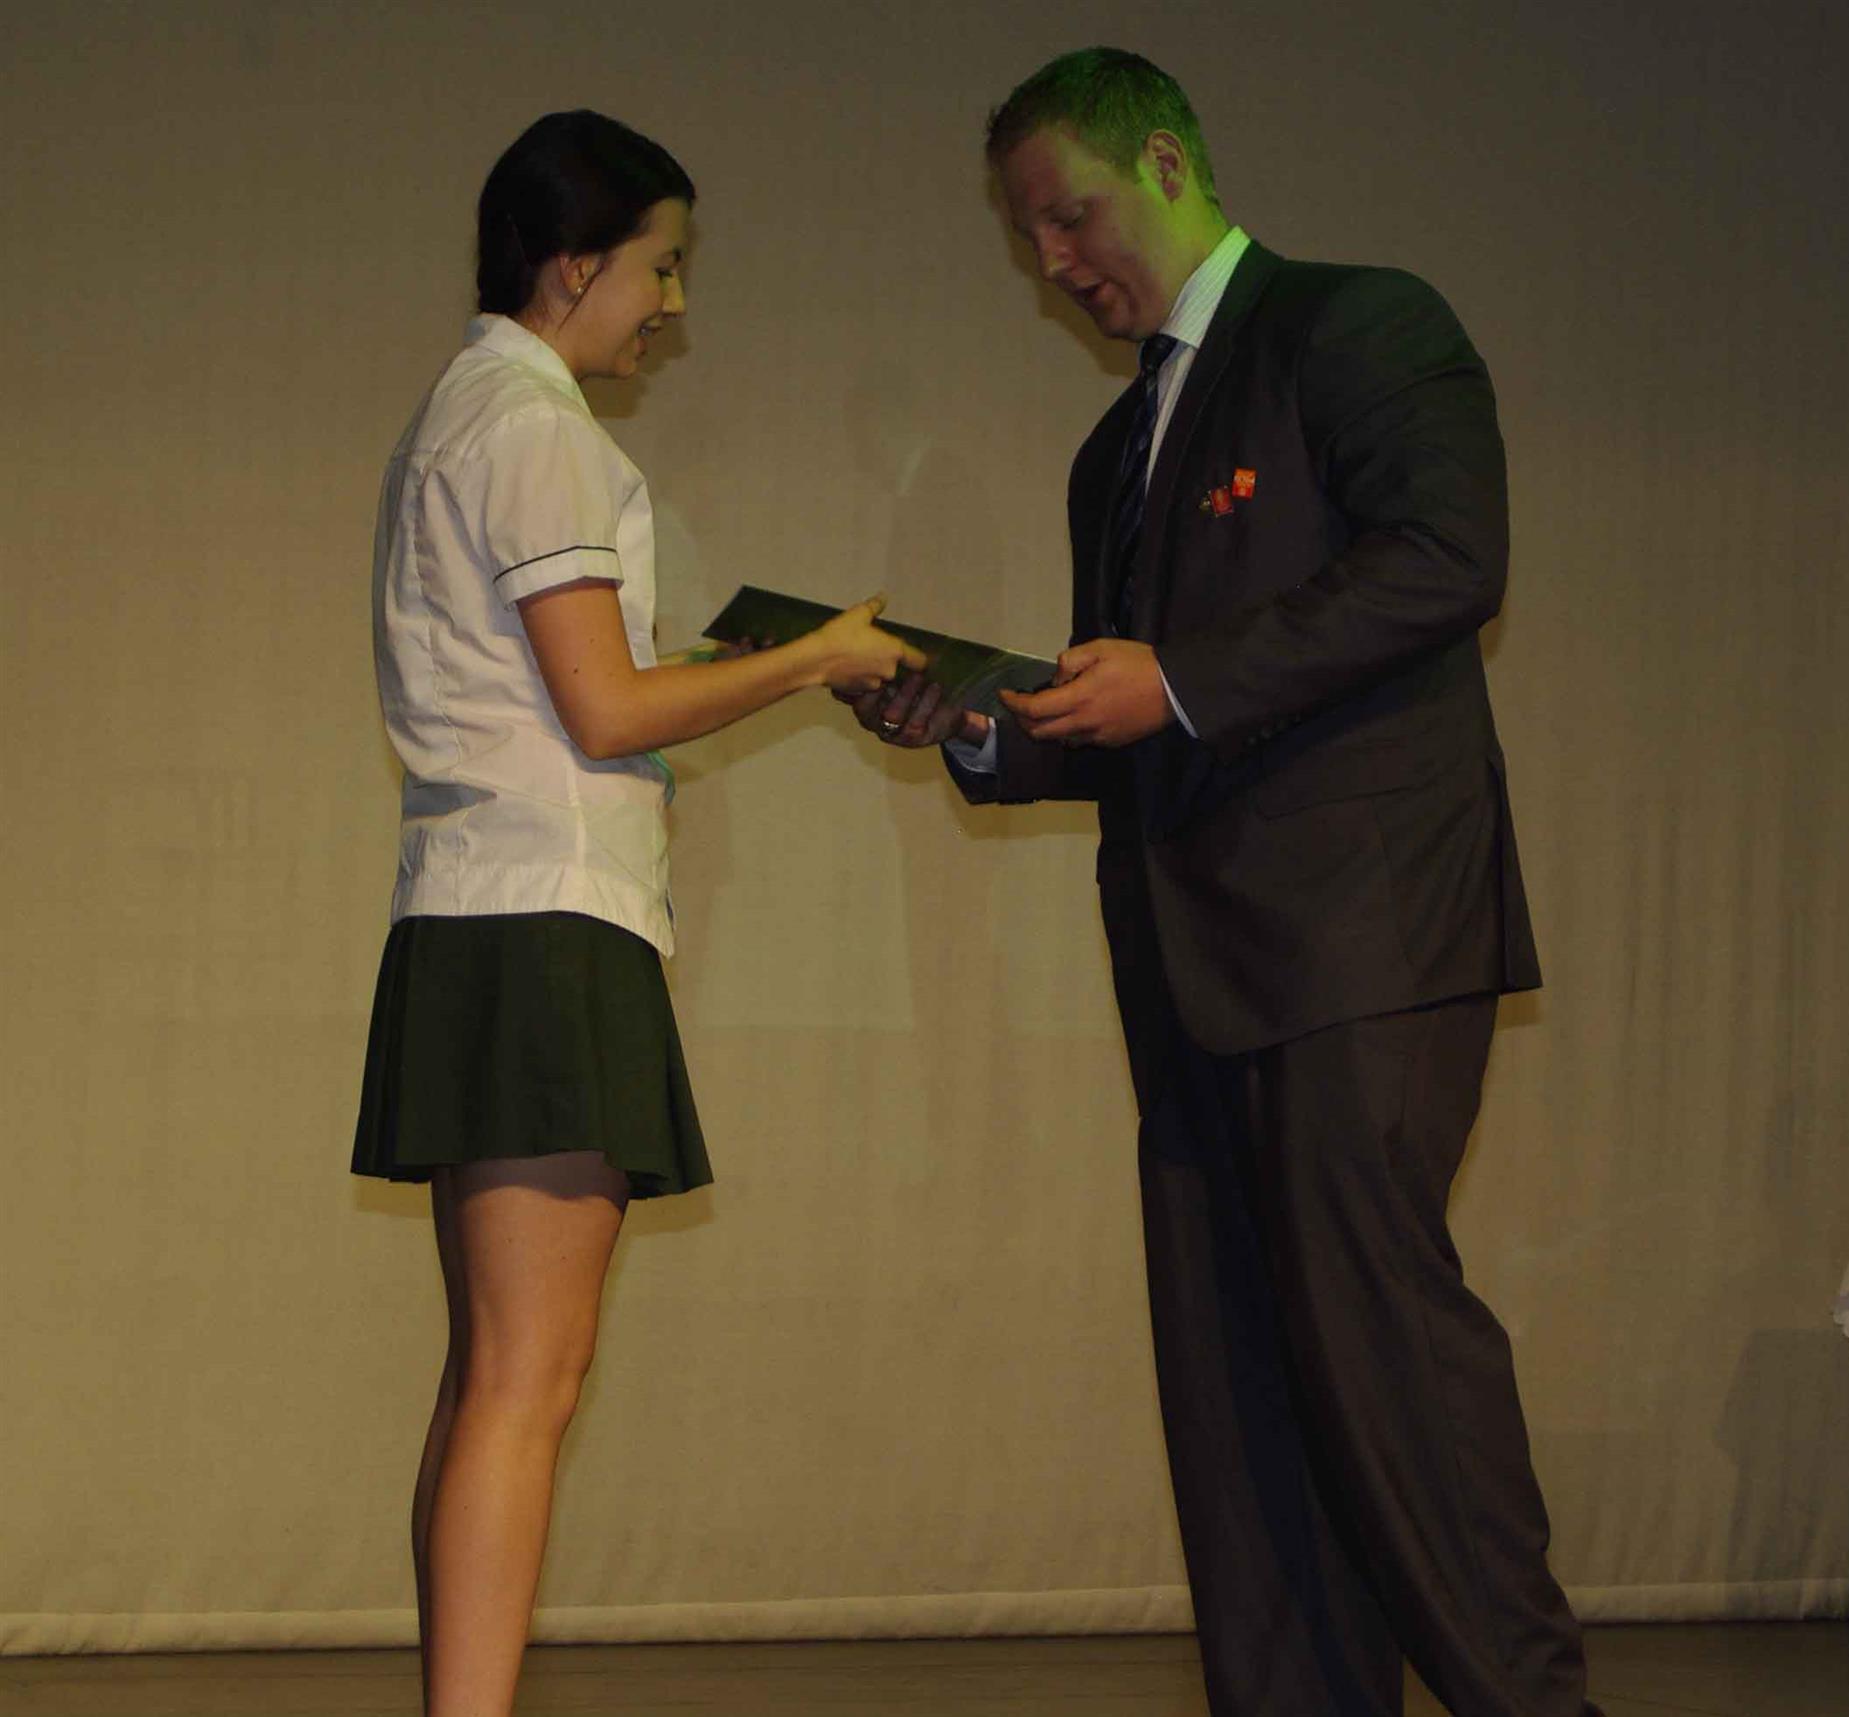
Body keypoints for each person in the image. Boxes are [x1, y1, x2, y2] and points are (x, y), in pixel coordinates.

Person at [846, 48, 1601, 1717]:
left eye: (1069, 215)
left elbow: (1447, 557)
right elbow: (1130, 724)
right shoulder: (1112, 453)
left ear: (1171, 166)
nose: (1053, 260)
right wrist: (978, 724)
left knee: (1380, 1357)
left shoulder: (1357, 324)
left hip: (1359, 945)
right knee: (1241, 1398)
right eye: (1026, 237)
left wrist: (1178, 678)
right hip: (1190, 973)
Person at [351, 110, 918, 1717]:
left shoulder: (466, 411)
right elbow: (604, 709)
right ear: (574, 263)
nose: (671, 305)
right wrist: (813, 658)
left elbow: (569, 692)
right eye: (660, 268)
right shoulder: (538, 431)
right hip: (545, 923)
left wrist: (741, 663)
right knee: (527, 1382)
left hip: (483, 913)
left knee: (496, 1378)